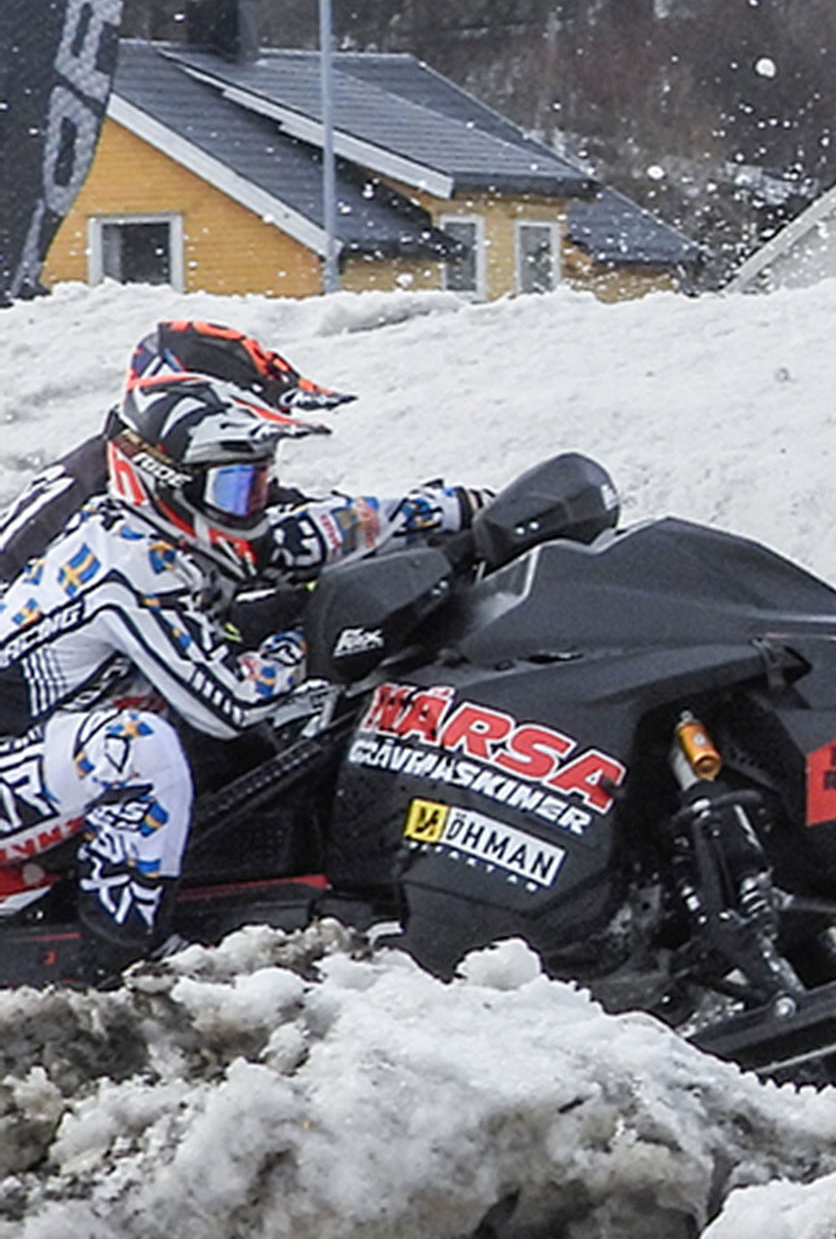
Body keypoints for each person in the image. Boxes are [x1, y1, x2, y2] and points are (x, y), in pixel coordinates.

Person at [0, 323, 478, 970]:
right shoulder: (123, 564)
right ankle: (122, 960)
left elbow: (317, 531)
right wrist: (316, 630)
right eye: (234, 487)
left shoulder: (172, 526)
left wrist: (456, 510)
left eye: (256, 481)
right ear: (165, 476)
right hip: (24, 759)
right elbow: (229, 701)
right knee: (135, 749)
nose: (252, 504)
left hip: (40, 750)